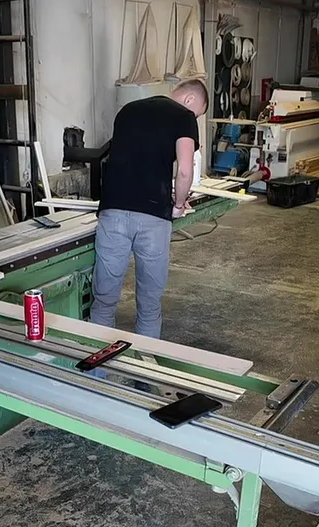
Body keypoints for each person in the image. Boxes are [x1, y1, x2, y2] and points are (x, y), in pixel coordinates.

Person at [90, 79, 208, 339]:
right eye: (198, 114)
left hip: (113, 212)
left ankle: (96, 362)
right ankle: (145, 365)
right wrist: (179, 204)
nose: (195, 118)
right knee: (149, 305)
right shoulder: (184, 117)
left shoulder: (128, 110)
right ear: (190, 100)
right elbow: (185, 170)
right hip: (153, 218)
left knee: (104, 301)